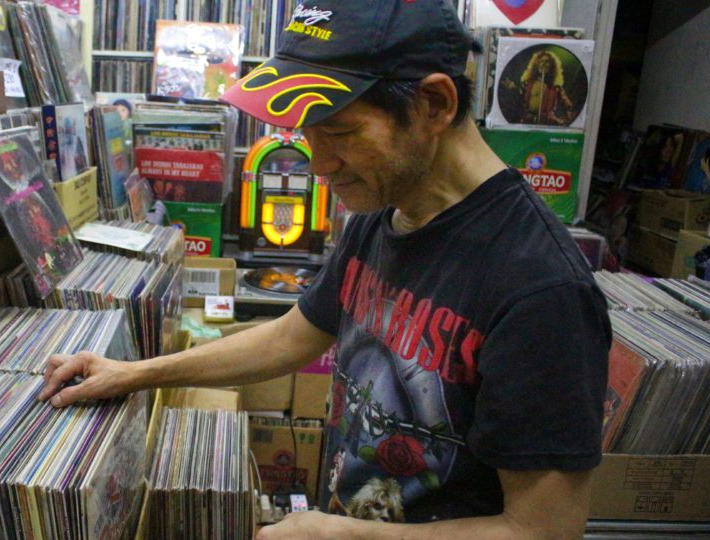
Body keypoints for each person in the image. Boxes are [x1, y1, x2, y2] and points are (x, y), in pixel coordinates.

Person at [39, 1, 610, 538]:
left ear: (434, 105)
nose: (317, 164)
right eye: (306, 136)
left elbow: (544, 529)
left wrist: (347, 536)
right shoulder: (387, 209)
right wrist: (135, 373)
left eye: (339, 133)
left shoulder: (542, 289)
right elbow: (293, 335)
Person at [519, 49, 576, 125]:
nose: (543, 64)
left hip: (548, 125)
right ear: (536, 65)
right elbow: (517, 104)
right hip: (527, 124)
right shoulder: (526, 85)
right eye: (541, 61)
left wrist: (563, 121)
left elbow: (569, 107)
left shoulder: (556, 89)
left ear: (551, 66)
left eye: (547, 62)